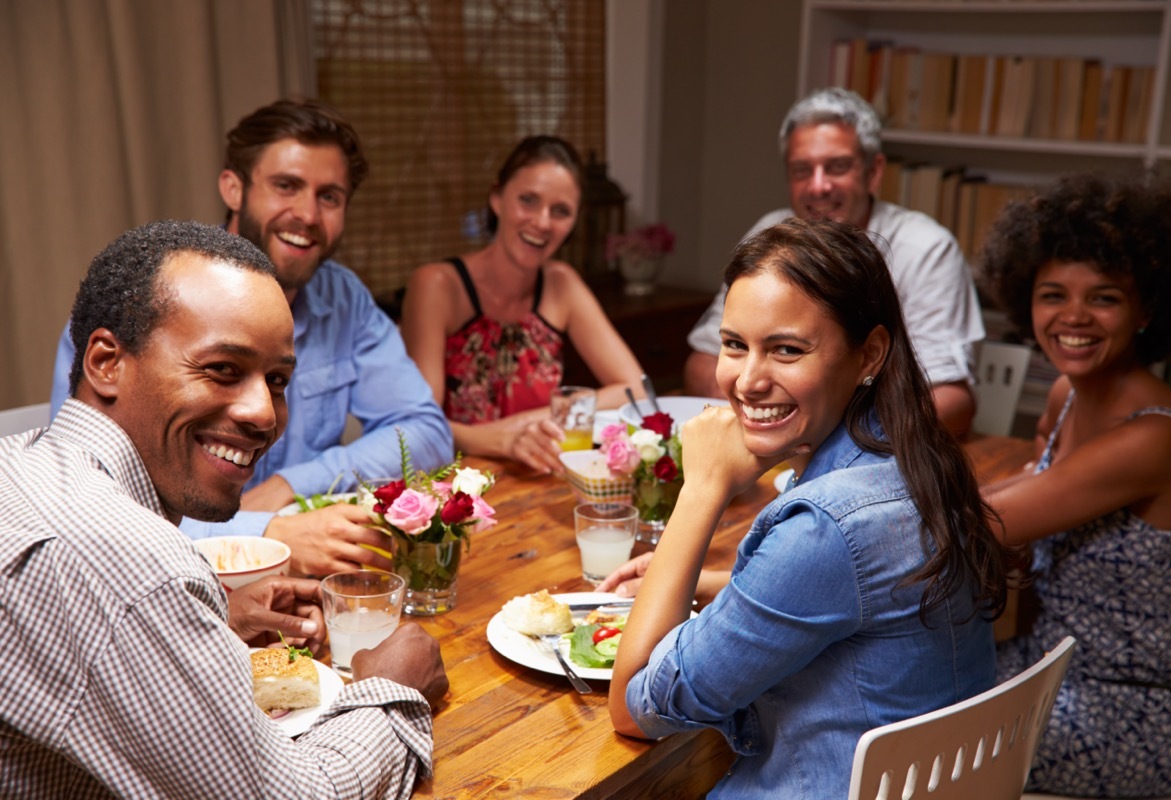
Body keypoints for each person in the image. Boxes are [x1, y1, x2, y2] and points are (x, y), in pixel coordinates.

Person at [3, 220, 448, 798]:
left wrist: (214, 625)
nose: (264, 412)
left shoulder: (24, 463)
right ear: (106, 363)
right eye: (222, 369)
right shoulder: (138, 568)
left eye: (279, 379)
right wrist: (393, 689)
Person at [607, 217, 1008, 797]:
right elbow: (858, 594)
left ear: (869, 352)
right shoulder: (916, 460)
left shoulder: (826, 529)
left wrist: (702, 490)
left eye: (787, 350)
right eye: (734, 345)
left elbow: (635, 707)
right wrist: (720, 581)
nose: (747, 381)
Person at [49, 98, 454, 576]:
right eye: (287, 186)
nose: (307, 213)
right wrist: (262, 534)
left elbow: (427, 431)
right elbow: (85, 498)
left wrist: (290, 484)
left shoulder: (343, 298)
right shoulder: (148, 296)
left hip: (302, 585)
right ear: (234, 188)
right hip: (164, 577)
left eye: (330, 197)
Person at [978, 173, 1171, 798]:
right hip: (1045, 665)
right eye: (1053, 294)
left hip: (1138, 712)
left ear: (1147, 309)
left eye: (1103, 298)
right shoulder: (1066, 395)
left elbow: (981, 521)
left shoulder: (1157, 437)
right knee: (878, 676)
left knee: (890, 720)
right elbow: (1033, 483)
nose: (1073, 317)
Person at [683, 87, 984, 438]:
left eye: (837, 167)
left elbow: (951, 401)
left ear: (874, 172)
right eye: (802, 170)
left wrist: (832, 442)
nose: (819, 186)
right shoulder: (770, 235)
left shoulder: (925, 249)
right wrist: (767, 412)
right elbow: (702, 361)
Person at [401, 135, 644, 474]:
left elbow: (636, 390)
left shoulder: (561, 283)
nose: (542, 222)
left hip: (541, 477)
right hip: (456, 485)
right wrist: (503, 438)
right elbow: (419, 426)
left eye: (560, 211)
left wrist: (539, 419)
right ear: (497, 198)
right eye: (528, 200)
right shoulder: (437, 285)